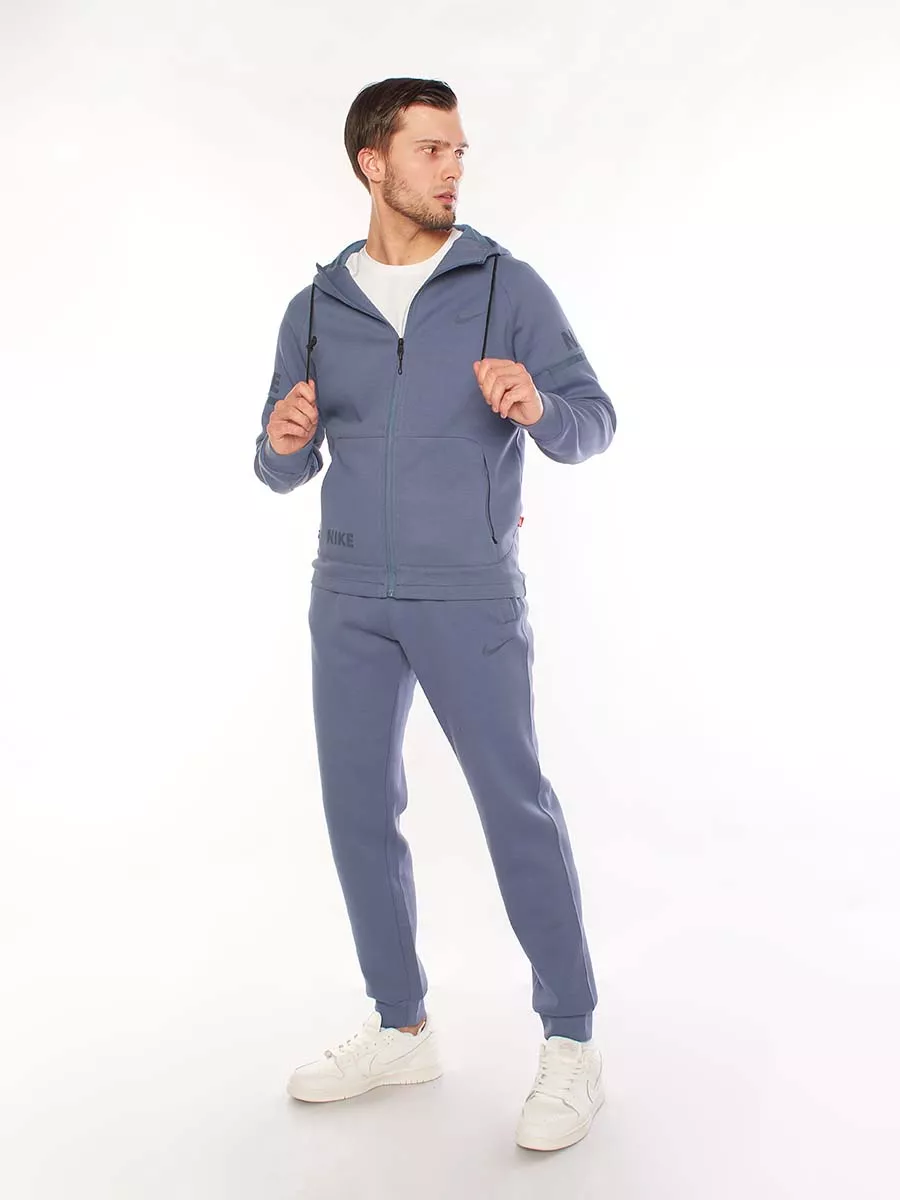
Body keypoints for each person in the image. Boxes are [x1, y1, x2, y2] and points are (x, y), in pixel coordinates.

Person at [254, 77, 617, 1152]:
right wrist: (280, 443)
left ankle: (572, 1040)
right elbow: (279, 463)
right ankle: (400, 1025)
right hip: (348, 596)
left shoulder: (507, 286)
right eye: (432, 149)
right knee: (358, 814)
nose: (454, 167)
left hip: (469, 594)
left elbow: (594, 421)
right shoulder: (316, 307)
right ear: (374, 163)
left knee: (516, 808)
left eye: (459, 150)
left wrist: (539, 408)